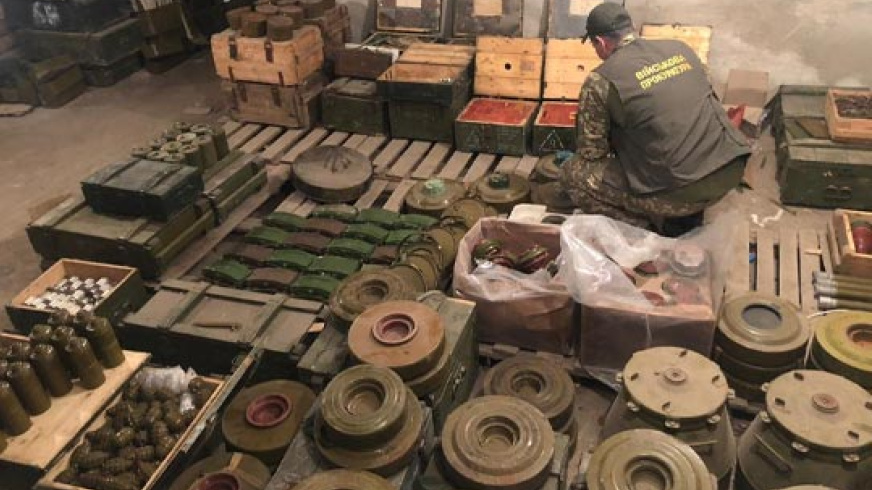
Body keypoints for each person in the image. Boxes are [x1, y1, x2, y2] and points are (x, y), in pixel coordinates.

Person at [561, 3, 751, 235]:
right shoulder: (681, 49)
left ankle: (645, 232)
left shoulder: (601, 80)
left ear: (601, 43)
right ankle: (685, 212)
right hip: (728, 170)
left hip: (681, 192)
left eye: (594, 46)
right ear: (630, 28)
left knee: (574, 174)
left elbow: (592, 152)